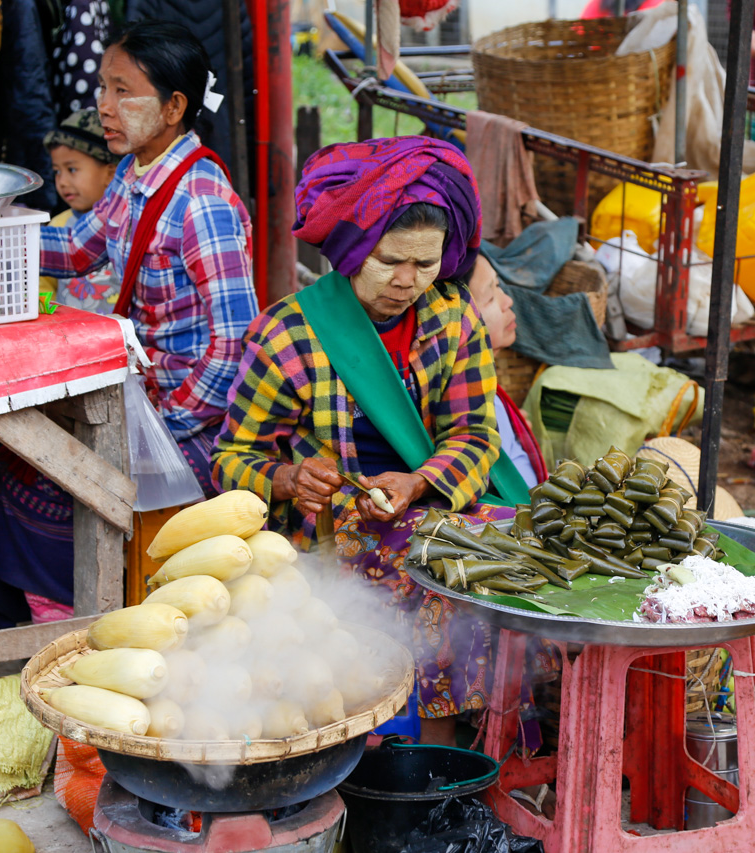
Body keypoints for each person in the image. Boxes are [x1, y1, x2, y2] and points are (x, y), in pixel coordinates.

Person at [214, 136, 545, 746]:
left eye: (425, 263)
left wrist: (420, 482)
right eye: (390, 260)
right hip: (328, 533)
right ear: (353, 250)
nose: (407, 280)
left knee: (533, 564)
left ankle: (496, 748)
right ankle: (424, 756)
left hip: (438, 505)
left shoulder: (453, 319)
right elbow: (231, 460)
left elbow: (475, 435)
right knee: (442, 577)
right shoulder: (287, 336)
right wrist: (292, 478)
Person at [0, 20, 258, 628]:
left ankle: (82, 625)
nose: (104, 107)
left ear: (175, 106)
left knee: (41, 485)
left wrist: (163, 429)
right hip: (144, 401)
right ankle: (41, 620)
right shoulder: (134, 176)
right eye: (103, 87)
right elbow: (77, 249)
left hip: (188, 423)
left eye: (123, 91)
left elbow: (233, 349)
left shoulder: (200, 202)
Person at [466, 255, 547, 488]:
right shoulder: (472, 405)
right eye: (491, 297)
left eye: (499, 286)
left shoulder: (492, 394)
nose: (507, 301)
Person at [40, 109, 122, 314]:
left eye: (72, 170)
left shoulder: (124, 224)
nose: (63, 182)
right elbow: (43, 287)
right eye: (57, 171)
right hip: (70, 337)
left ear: (110, 173)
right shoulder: (58, 226)